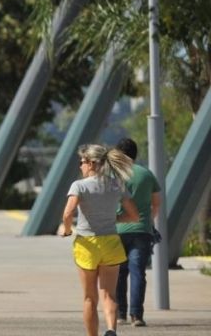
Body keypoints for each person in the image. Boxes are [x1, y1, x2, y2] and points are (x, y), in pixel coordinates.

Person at [62, 144, 140, 336]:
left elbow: (68, 212)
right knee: (109, 294)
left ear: (90, 163)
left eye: (81, 162)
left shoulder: (79, 185)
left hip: (87, 244)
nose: (80, 166)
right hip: (111, 243)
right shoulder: (116, 184)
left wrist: (67, 229)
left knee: (90, 298)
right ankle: (112, 329)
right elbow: (134, 216)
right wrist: (114, 218)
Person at [114, 138, 161, 327]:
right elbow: (156, 203)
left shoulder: (113, 175)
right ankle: (137, 316)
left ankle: (120, 315)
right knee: (138, 273)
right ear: (135, 154)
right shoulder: (147, 175)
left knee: (118, 273)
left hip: (116, 230)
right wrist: (149, 221)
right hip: (142, 230)